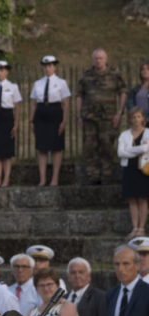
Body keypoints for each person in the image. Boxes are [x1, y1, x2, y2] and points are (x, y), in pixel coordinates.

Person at [77, 49, 126, 186]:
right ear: (92, 60)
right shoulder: (86, 76)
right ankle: (92, 175)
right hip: (89, 117)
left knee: (107, 145)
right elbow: (79, 95)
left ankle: (107, 175)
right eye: (96, 58)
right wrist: (79, 115)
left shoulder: (114, 75)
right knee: (90, 147)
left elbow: (123, 92)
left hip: (108, 117)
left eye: (101, 58)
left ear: (106, 59)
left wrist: (119, 112)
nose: (98, 61)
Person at [30, 55, 71, 187]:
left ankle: (55, 178)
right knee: (41, 148)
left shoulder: (61, 83)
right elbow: (33, 103)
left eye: (50, 66)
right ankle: (42, 179)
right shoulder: (37, 83)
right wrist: (31, 120)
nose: (48, 68)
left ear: (55, 67)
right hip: (41, 114)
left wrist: (64, 120)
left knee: (56, 148)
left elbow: (65, 103)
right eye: (45, 66)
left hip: (55, 112)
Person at [0, 60, 23, 188]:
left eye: (2, 70)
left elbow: (17, 107)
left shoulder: (13, 87)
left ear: (7, 71)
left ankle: (6, 179)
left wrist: (16, 124)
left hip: (7, 117)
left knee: (7, 153)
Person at [117, 108, 149, 238]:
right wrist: (139, 149)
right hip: (129, 168)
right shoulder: (124, 134)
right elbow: (120, 152)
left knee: (142, 198)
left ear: (143, 118)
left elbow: (147, 149)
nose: (136, 120)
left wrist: (130, 150)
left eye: (138, 117)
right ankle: (134, 227)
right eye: (133, 117)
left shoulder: (147, 133)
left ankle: (142, 227)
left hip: (143, 168)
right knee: (132, 199)